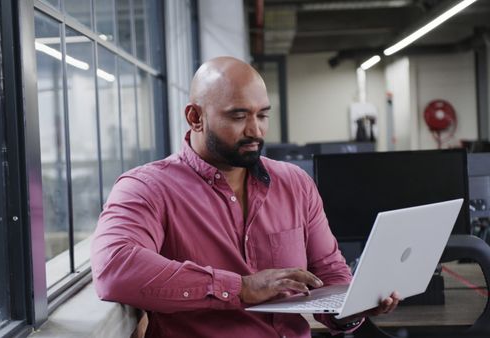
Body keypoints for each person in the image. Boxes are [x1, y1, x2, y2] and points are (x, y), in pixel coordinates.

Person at [90, 56, 400, 337]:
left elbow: (330, 276)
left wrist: (354, 307)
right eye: (239, 116)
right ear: (195, 117)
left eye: (262, 115)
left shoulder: (294, 183)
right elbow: (115, 268)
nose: (256, 130)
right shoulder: (147, 187)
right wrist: (241, 288)